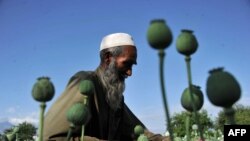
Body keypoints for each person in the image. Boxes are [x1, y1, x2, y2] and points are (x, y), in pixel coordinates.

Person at [43, 33, 169, 141]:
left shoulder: (114, 97)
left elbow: (139, 133)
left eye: (132, 66)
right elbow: (51, 137)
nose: (130, 73)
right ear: (108, 58)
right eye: (126, 64)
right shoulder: (86, 82)